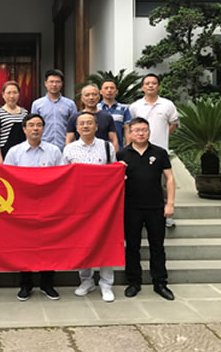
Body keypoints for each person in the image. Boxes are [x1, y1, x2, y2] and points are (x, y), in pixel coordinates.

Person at [4, 113, 63, 301]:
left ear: (43, 128)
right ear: (24, 129)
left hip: (49, 205)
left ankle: (47, 283)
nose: (35, 129)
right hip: (23, 205)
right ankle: (26, 284)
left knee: (49, 243)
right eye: (31, 125)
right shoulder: (14, 152)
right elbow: (7, 178)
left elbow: (62, 177)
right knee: (25, 244)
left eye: (38, 125)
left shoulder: (54, 151)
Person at [117, 117, 175, 301]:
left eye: (144, 130)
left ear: (149, 132)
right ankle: (134, 282)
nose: (141, 133)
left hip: (155, 207)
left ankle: (160, 283)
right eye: (137, 130)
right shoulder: (122, 154)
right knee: (132, 246)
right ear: (129, 133)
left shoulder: (159, 152)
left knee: (157, 246)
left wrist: (170, 203)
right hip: (130, 207)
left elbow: (170, 178)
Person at [63, 112, 117, 302]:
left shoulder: (107, 146)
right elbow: (63, 176)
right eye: (82, 123)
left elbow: (113, 171)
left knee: (106, 242)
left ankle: (106, 284)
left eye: (89, 123)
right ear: (76, 128)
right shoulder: (69, 149)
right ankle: (86, 281)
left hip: (104, 204)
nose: (85, 126)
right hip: (79, 205)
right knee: (82, 243)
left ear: (96, 126)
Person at [127, 73, 179, 227]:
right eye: (147, 83)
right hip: (138, 151)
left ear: (158, 86)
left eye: (154, 83)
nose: (150, 86)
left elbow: (174, 124)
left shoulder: (167, 104)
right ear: (142, 87)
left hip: (160, 151)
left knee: (162, 183)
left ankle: (167, 215)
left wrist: (161, 136)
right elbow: (131, 128)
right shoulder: (135, 106)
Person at [31, 69, 77, 151]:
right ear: (45, 83)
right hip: (43, 147)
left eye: (57, 82)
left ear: (62, 83)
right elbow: (33, 127)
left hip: (65, 147)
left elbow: (74, 126)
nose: (54, 84)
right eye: (51, 82)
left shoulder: (70, 104)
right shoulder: (37, 104)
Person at [66, 84, 119, 151]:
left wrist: (115, 155)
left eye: (94, 94)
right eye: (87, 95)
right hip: (79, 153)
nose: (91, 98)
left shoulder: (107, 117)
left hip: (102, 154)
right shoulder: (74, 117)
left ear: (99, 97)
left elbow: (113, 139)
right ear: (82, 98)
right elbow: (69, 140)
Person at [0, 80, 28, 163]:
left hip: (22, 151)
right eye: (8, 93)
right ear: (3, 95)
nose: (12, 96)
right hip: (5, 151)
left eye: (15, 92)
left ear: (19, 94)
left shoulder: (25, 113)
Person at [98, 79, 132, 150]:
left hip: (118, 148)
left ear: (116, 91)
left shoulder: (124, 108)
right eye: (106, 88)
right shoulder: (96, 108)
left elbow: (127, 129)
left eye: (112, 88)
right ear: (101, 91)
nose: (109, 90)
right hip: (98, 149)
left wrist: (128, 148)